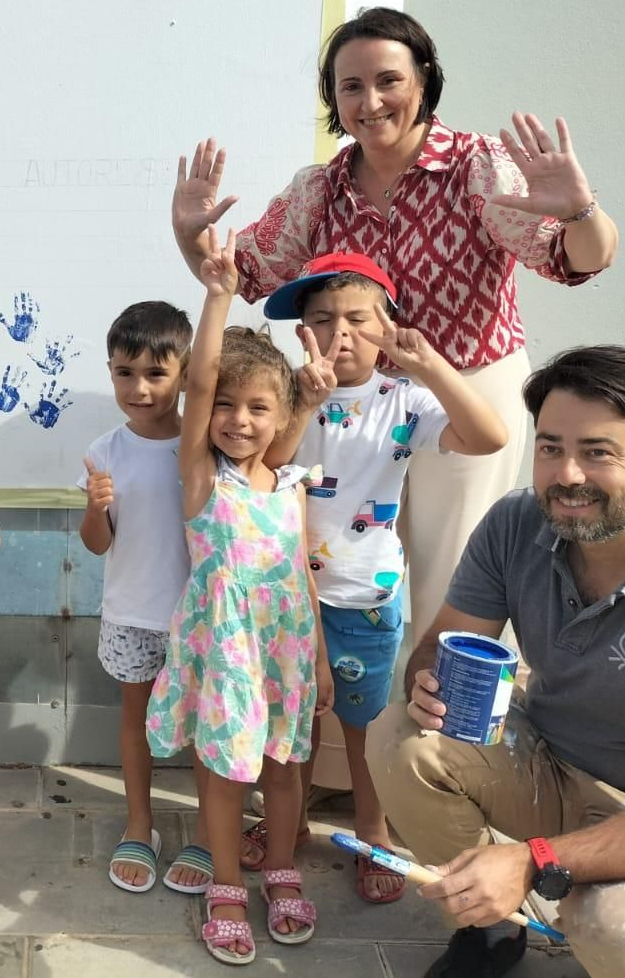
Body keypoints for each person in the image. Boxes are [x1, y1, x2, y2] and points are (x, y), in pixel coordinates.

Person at [170, 6, 619, 636]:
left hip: (460, 386)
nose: (371, 101)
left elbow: (578, 258)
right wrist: (190, 239)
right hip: (349, 396)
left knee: (452, 570)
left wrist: (581, 212)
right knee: (338, 564)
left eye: (389, 81)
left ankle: (436, 728)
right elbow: (238, 273)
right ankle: (345, 713)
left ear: (424, 80)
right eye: (350, 86)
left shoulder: (476, 167)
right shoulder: (319, 188)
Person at [368, 346, 625, 978]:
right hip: (553, 763)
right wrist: (425, 680)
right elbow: (441, 643)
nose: (566, 474)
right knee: (401, 736)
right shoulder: (516, 523)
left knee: (623, 936)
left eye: (597, 452)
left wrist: (533, 859)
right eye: (550, 447)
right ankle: (492, 931)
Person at [239, 252, 505, 902]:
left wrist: (431, 366)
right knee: (291, 728)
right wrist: (305, 400)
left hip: (365, 601)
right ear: (301, 329)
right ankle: (290, 822)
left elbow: (490, 436)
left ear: (388, 325)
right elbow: (265, 469)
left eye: (359, 319)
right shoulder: (289, 395)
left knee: (365, 731)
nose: (341, 334)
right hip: (285, 598)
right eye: (323, 319)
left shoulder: (405, 401)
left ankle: (372, 832)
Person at [145, 228, 332, 964]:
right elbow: (198, 385)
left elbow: (299, 577)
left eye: (258, 408)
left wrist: (316, 659)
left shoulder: (285, 484)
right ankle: (226, 883)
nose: (238, 420)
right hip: (224, 647)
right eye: (227, 405)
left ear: (281, 416)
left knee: (286, 768)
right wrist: (218, 296)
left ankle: (280, 870)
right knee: (224, 772)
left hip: (283, 646)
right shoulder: (201, 478)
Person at [76, 301, 211, 896]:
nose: (139, 387)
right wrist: (94, 506)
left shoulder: (207, 444)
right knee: (135, 722)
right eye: (125, 372)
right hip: (132, 614)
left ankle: (209, 831)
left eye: (156, 373)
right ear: (110, 372)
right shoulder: (105, 451)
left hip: (202, 618)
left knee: (210, 726)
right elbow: (98, 545)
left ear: (185, 374)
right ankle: (140, 822)